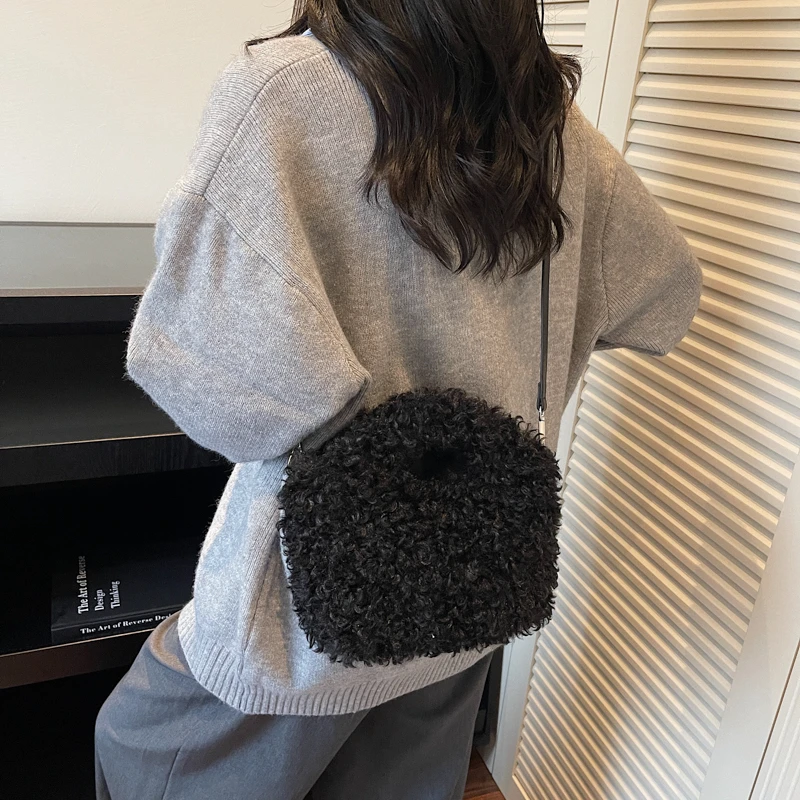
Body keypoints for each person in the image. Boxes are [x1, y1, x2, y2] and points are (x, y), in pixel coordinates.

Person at [94, 1, 702, 798]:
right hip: (468, 589)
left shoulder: (283, 91)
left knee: (136, 745)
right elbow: (665, 297)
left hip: (301, 620)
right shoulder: (549, 124)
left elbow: (204, 373)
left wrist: (341, 402)